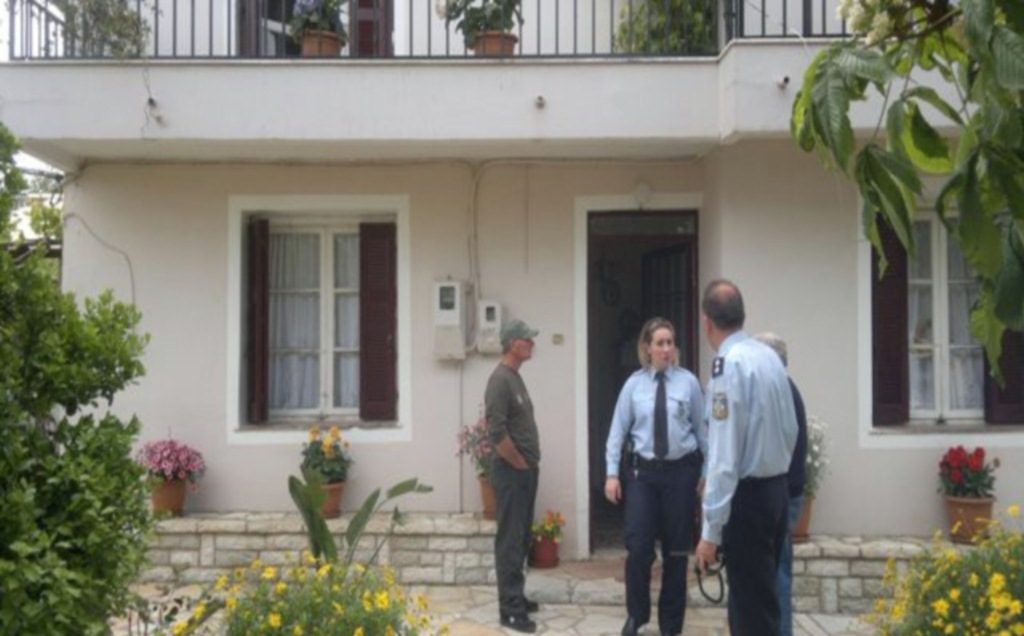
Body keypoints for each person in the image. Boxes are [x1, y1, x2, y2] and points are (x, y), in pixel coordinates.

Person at [694, 280, 798, 636]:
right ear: (742, 315)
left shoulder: (729, 366)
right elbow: (791, 429)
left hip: (749, 499)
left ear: (707, 322)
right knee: (764, 600)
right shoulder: (769, 357)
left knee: (750, 611)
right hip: (776, 492)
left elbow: (724, 458)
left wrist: (710, 532)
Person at [604, 317, 707, 636]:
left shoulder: (688, 383)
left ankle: (671, 626)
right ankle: (637, 616)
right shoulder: (634, 385)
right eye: (659, 343)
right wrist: (611, 474)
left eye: (670, 343)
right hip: (643, 476)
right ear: (647, 348)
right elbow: (617, 432)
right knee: (638, 549)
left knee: (676, 553)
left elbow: (703, 433)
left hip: (680, 475)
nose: (666, 349)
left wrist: (706, 473)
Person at [485, 318, 542, 634]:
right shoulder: (500, 381)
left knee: (521, 537)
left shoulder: (515, 378)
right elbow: (497, 432)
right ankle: (510, 610)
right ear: (512, 344)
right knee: (509, 539)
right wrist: (519, 463)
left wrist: (528, 466)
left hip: (525, 471)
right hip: (511, 473)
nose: (532, 343)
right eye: (527, 339)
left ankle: (516, 596)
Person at [754, 332, 808, 636]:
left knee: (777, 571)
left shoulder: (781, 393)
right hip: (788, 491)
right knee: (777, 568)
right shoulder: (787, 389)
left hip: (783, 493)